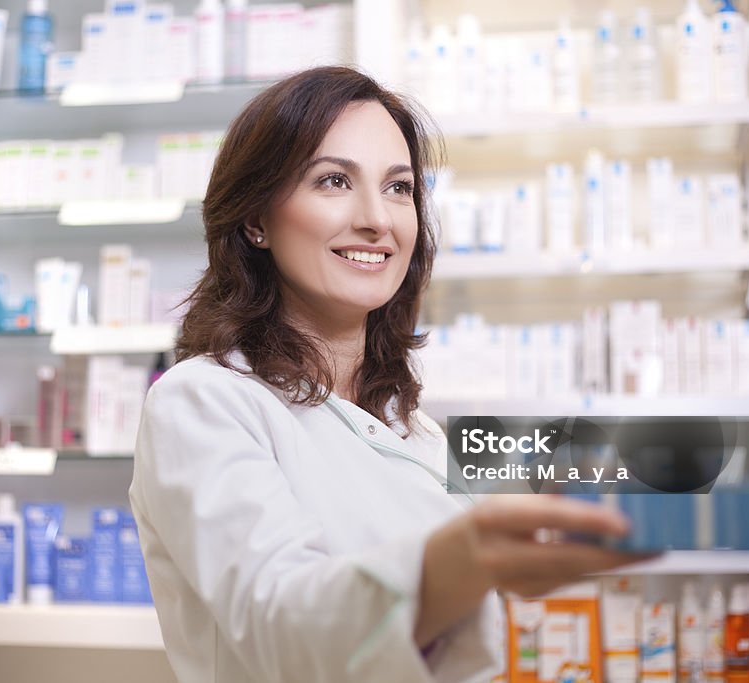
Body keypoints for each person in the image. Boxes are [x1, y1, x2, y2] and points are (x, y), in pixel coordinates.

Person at [129, 66, 647, 683]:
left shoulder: (415, 428)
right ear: (255, 219)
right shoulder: (202, 402)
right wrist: (458, 561)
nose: (378, 219)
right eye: (333, 181)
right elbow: (284, 626)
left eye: (400, 189)